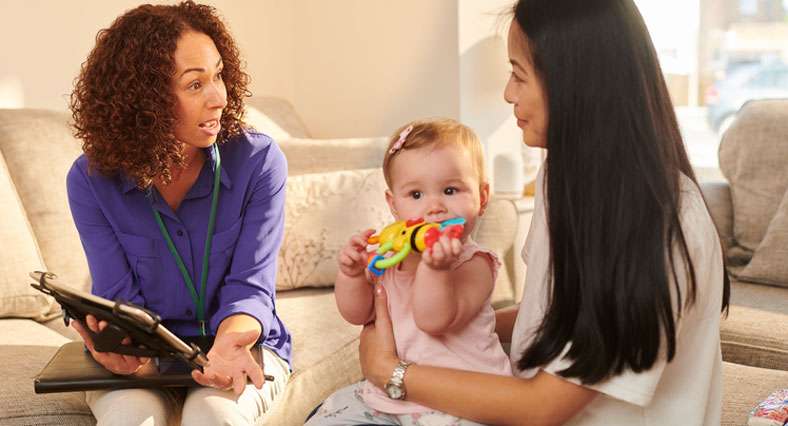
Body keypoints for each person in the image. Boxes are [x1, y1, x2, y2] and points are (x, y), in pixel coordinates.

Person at [356, 0, 731, 425]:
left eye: (518, 74)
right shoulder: (565, 172)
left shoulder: (662, 224)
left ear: (575, 83)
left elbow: (542, 407)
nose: (507, 93)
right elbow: (550, 313)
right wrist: (445, 329)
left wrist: (393, 371)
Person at [66, 2, 291, 425]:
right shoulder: (91, 180)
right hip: (144, 356)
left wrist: (228, 346)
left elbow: (251, 286)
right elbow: (120, 299)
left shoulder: (259, 162)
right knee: (131, 417)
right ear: (144, 102)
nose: (220, 98)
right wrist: (122, 349)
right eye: (195, 85)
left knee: (213, 416)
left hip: (240, 344)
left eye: (219, 75)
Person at [305, 119, 512, 426]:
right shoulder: (388, 257)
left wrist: (435, 268)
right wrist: (351, 274)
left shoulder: (475, 263)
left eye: (451, 190)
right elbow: (357, 313)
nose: (434, 208)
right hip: (389, 397)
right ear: (393, 205)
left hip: (463, 401)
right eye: (416, 195)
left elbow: (433, 320)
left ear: (481, 197)